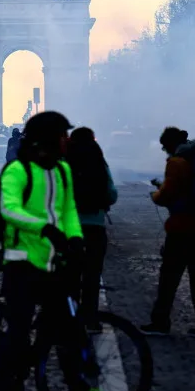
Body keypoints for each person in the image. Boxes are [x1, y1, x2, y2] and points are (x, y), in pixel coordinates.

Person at [0, 111, 115, 391]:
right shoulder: (17, 171)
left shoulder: (62, 171)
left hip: (55, 263)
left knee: (70, 331)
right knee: (18, 334)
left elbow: (69, 209)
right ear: (47, 139)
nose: (67, 140)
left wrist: (74, 238)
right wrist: (45, 229)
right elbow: (9, 209)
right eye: (62, 135)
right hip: (21, 262)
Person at [141, 127, 195, 338]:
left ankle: (160, 321)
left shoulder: (176, 163)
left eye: (165, 147)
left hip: (181, 229)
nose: (165, 151)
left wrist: (156, 194)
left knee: (169, 278)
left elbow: (167, 195)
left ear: (170, 145)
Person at [64, 127, 117, 332]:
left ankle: (70, 320)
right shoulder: (98, 161)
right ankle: (91, 320)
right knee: (92, 277)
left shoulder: (64, 161)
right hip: (95, 228)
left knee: (70, 277)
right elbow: (111, 193)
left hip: (69, 229)